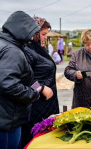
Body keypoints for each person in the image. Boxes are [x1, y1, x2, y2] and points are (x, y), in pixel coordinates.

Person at [0, 11, 53, 149]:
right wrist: (35, 92)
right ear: (22, 30)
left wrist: (37, 87)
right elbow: (8, 85)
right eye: (35, 32)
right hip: (5, 117)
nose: (33, 36)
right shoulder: (11, 50)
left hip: (3, 114)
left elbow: (21, 78)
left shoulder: (1, 44)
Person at [21, 16, 59, 147]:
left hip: (46, 104)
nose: (45, 37)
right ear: (34, 33)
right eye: (43, 34)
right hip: (36, 105)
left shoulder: (38, 48)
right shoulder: (26, 51)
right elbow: (23, 78)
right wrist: (41, 87)